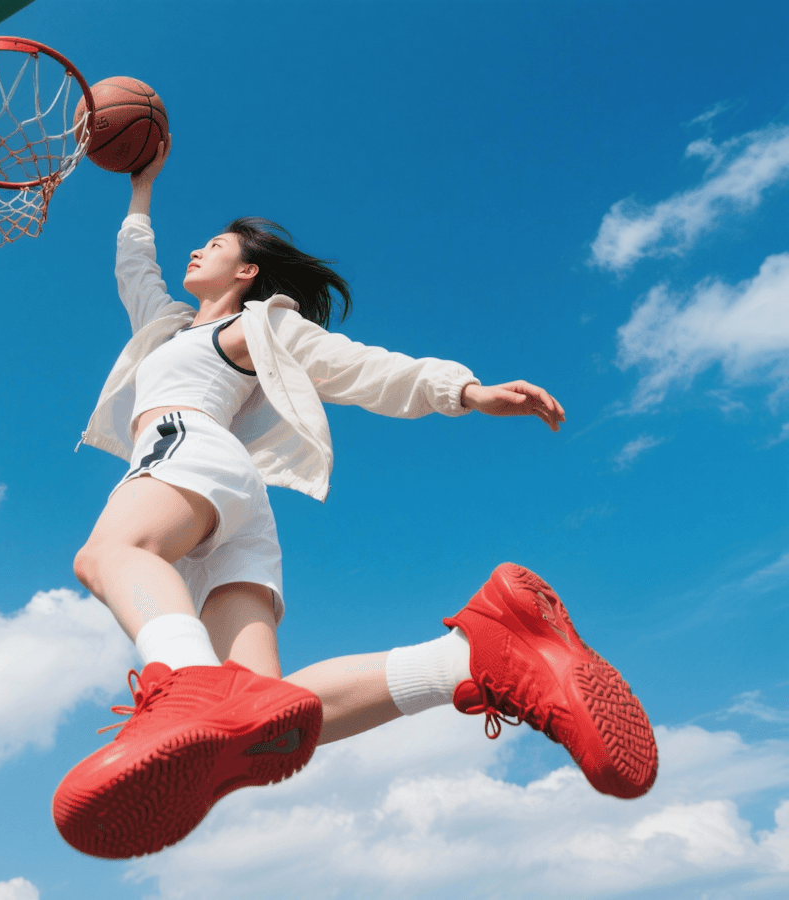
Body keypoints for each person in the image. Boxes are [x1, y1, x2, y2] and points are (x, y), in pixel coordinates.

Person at [51, 141, 657, 859]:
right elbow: (134, 270)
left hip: (189, 450)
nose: (195, 250)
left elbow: (361, 369)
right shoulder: (167, 327)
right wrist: (140, 190)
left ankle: (183, 681)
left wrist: (465, 391)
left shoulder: (252, 326)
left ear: (247, 271)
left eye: (213, 245)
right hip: (234, 505)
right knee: (259, 711)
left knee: (113, 553)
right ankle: (475, 661)